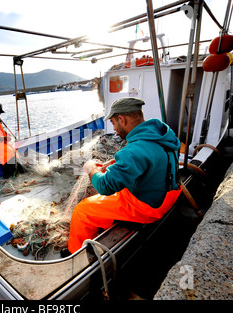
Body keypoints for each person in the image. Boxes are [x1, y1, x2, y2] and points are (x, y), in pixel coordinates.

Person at [63, 97, 182, 256]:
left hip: (149, 208)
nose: (114, 129)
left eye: (113, 123)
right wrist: (118, 163)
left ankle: (76, 254)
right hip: (169, 195)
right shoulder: (162, 133)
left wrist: (91, 168)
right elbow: (152, 160)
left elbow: (105, 187)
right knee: (111, 193)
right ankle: (104, 225)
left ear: (122, 119)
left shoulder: (133, 151)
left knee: (82, 210)